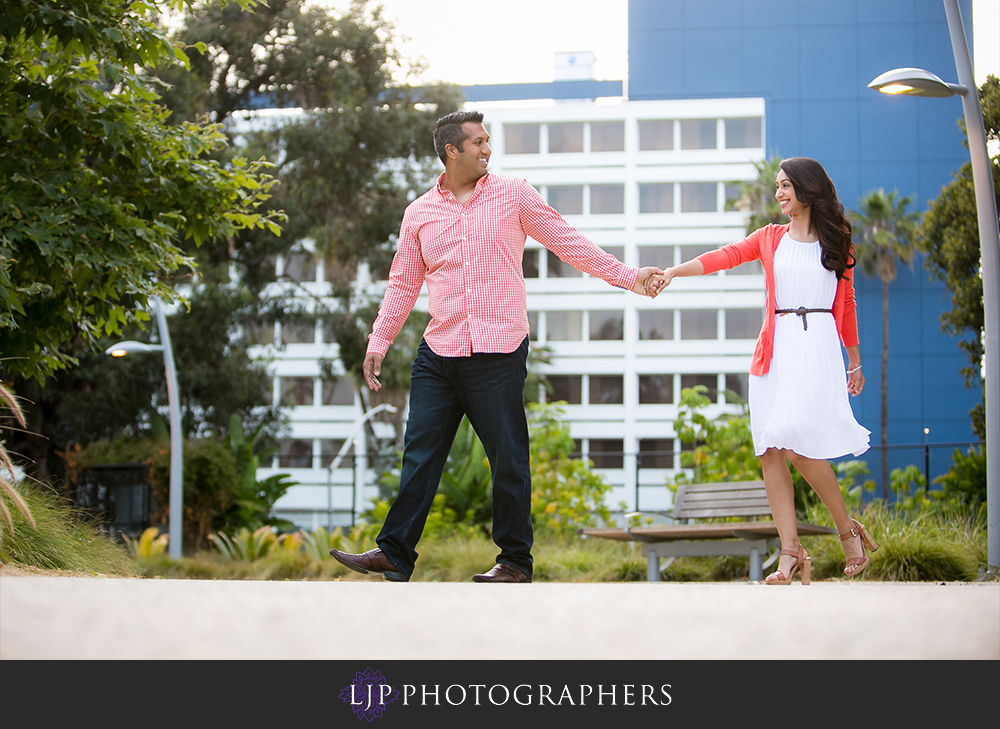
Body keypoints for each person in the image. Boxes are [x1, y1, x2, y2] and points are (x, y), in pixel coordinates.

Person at [329, 110, 665, 583]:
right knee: (419, 454)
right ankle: (394, 551)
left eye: (488, 141)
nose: (488, 149)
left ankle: (514, 561)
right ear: (451, 151)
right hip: (439, 351)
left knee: (508, 458)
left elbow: (569, 244)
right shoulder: (419, 213)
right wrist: (379, 340)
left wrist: (630, 277)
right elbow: (402, 284)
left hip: (498, 350)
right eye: (478, 142)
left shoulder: (514, 194)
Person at [654, 157, 878, 584]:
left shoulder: (838, 244)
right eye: (777, 186)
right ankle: (790, 552)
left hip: (815, 348)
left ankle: (848, 531)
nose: (778, 193)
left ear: (808, 190)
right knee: (770, 452)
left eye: (786, 186)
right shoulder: (769, 238)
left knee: (799, 449)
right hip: (773, 353)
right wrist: (675, 272)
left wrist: (854, 361)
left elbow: (845, 306)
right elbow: (725, 256)